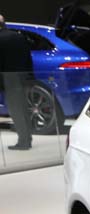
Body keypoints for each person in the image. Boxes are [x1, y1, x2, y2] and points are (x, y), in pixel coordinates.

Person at [0, 14, 33, 150]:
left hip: (8, 79)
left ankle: (23, 142)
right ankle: (27, 138)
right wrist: (30, 77)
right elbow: (28, 58)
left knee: (15, 111)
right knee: (23, 109)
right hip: (23, 77)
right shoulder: (19, 36)